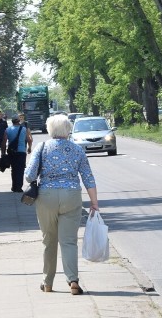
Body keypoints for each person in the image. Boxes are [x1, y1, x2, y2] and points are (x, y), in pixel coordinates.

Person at [25, 114, 98, 295]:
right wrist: (94, 203)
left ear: (50, 130)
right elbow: (88, 177)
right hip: (71, 196)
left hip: (47, 197)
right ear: (68, 129)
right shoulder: (77, 149)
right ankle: (73, 280)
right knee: (69, 241)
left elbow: (29, 175)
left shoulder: (41, 148)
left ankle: (47, 282)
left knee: (49, 241)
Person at [6, 117, 28, 192]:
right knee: (21, 169)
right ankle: (19, 187)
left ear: (12, 122)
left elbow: (4, 141)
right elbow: (29, 139)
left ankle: (14, 186)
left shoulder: (8, 129)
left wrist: (2, 152)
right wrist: (29, 147)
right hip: (21, 151)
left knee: (14, 169)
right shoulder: (24, 129)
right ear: (19, 122)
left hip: (12, 152)